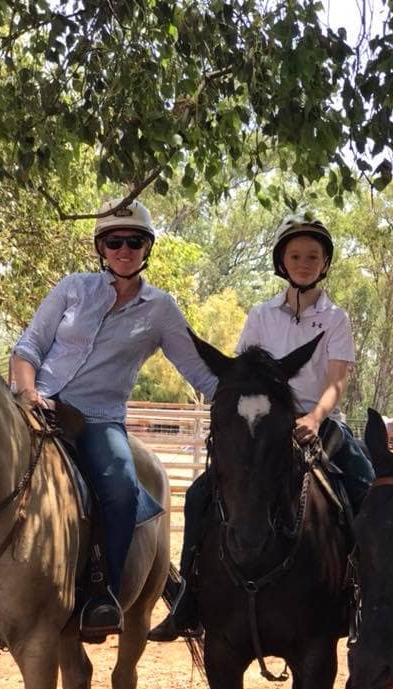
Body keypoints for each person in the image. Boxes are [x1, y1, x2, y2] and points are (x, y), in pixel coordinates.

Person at [149, 212, 375, 641]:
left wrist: (313, 417)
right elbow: (241, 375)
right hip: (265, 424)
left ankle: (362, 598)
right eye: (295, 255)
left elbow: (337, 380)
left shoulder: (337, 319)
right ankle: (188, 601)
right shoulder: (260, 315)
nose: (304, 262)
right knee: (200, 494)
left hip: (317, 420)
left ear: (325, 262)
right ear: (281, 261)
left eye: (313, 255)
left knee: (365, 487)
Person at [11, 198, 217, 640]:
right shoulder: (71, 288)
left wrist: (250, 397)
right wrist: (28, 393)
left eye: (134, 241)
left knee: (122, 487)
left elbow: (200, 372)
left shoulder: (160, 309)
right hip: (36, 403)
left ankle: (102, 592)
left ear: (147, 248)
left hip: (97, 418)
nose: (124, 249)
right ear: (101, 247)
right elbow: (28, 347)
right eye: (114, 241)